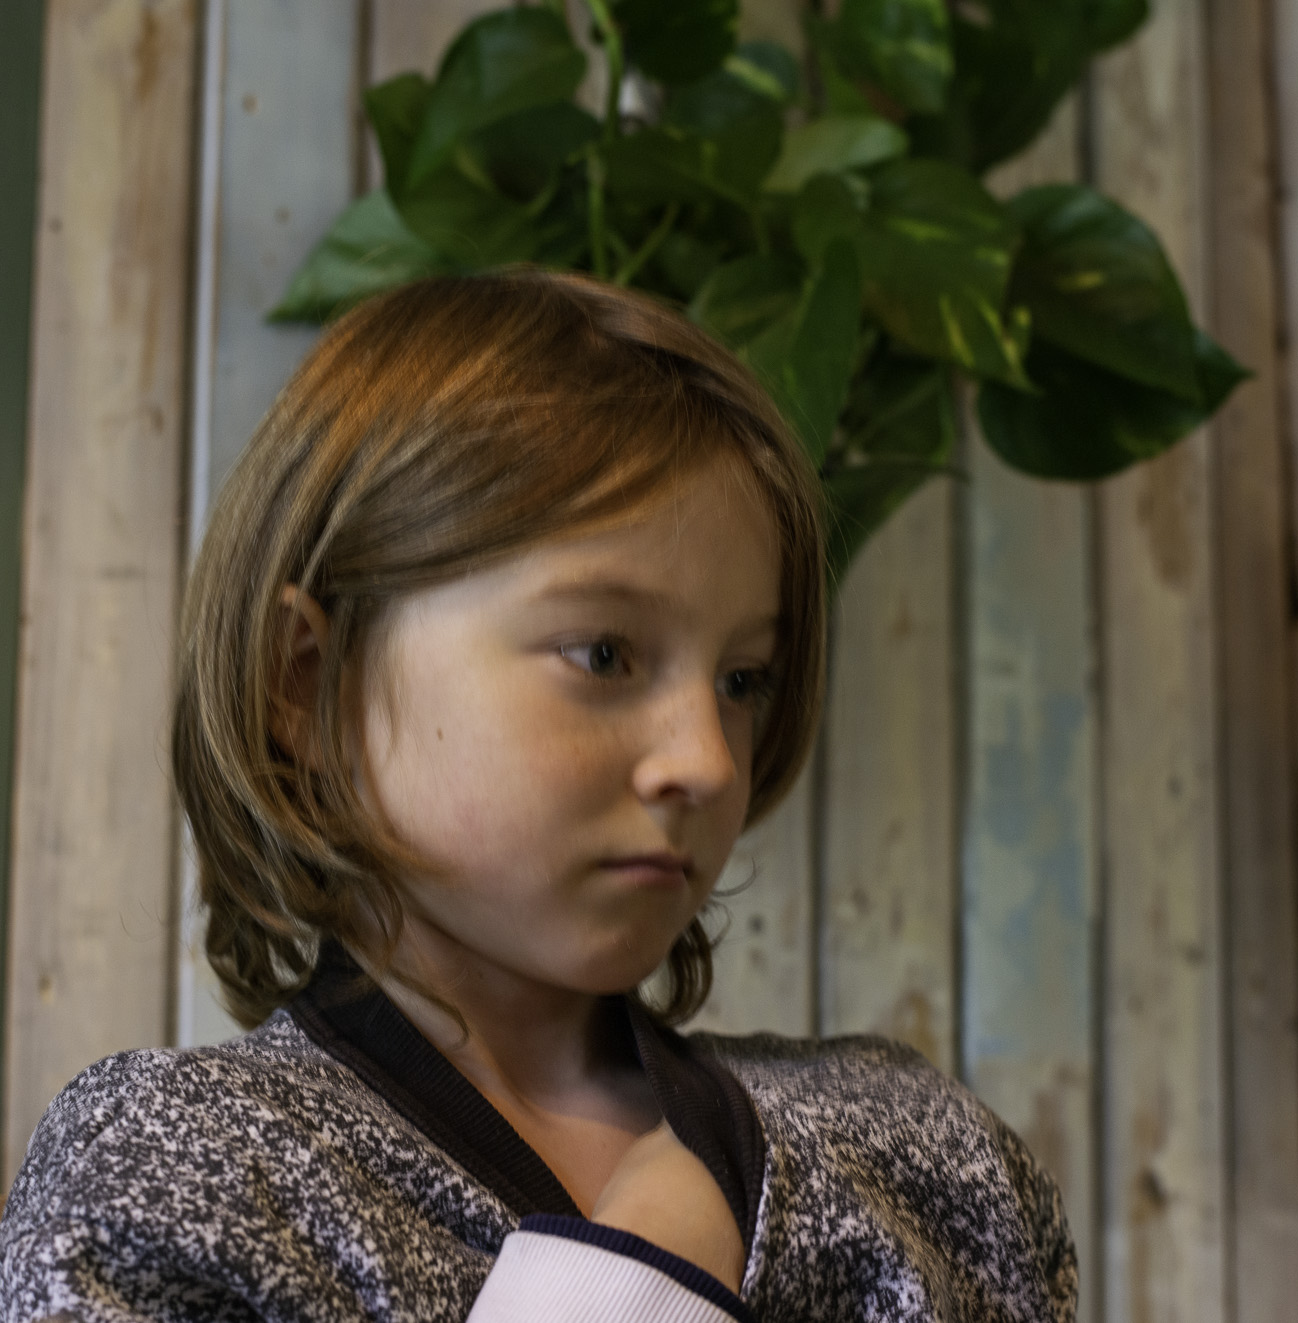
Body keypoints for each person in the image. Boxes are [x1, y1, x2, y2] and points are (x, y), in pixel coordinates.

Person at [0, 272, 1077, 1322]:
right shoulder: (172, 1179)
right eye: (602, 653)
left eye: (742, 680)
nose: (706, 761)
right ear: (308, 685)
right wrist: (646, 1270)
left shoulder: (926, 1159)